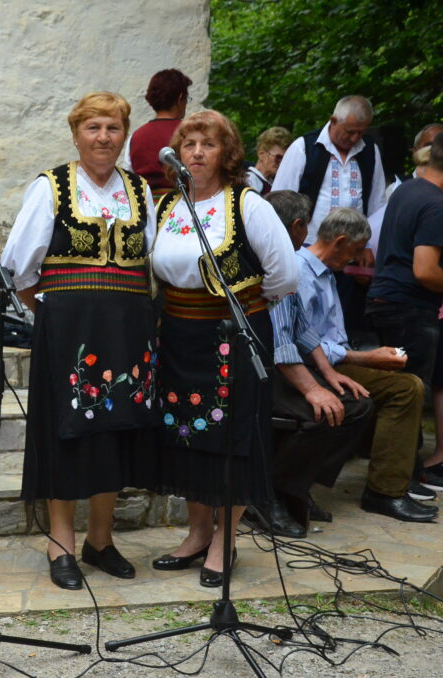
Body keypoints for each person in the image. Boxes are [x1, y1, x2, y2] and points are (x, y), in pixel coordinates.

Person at [1, 92, 159, 590]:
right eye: (93, 128)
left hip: (128, 331)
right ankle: (62, 543)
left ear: (124, 134)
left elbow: (151, 261)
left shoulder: (139, 189)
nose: (103, 137)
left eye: (113, 128)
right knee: (66, 434)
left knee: (115, 430)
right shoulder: (51, 186)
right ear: (75, 135)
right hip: (69, 332)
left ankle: (101, 540)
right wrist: (54, 316)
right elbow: (19, 268)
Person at [150, 110, 297, 588]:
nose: (196, 153)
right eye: (189, 143)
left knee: (232, 435)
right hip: (178, 334)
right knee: (187, 432)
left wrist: (244, 306)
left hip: (232, 335)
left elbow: (284, 275)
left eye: (208, 144)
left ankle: (225, 539)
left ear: (227, 153)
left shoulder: (247, 205)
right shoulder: (166, 206)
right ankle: (197, 533)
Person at [287, 207, 436, 522]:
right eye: (354, 251)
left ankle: (392, 480)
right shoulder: (301, 272)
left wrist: (369, 357)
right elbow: (303, 341)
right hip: (310, 367)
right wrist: (364, 358)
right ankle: (385, 491)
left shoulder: (326, 272)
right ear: (339, 241)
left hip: (333, 360)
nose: (356, 259)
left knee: (403, 374)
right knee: (406, 388)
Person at [259, 191, 374, 537]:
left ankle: (295, 486)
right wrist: (313, 389)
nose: (308, 234)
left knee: (357, 405)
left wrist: (329, 374)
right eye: (305, 226)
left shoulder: (287, 260)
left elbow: (303, 330)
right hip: (257, 368)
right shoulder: (276, 263)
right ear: (296, 226)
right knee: (321, 414)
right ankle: (268, 494)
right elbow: (281, 343)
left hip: (285, 364)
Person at [272, 95, 387, 345]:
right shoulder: (305, 147)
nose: (355, 138)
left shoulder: (369, 151)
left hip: (351, 253)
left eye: (361, 132)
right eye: (350, 131)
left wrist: (368, 246)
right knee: (307, 317)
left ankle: (341, 356)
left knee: (344, 318)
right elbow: (280, 199)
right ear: (334, 121)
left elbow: (377, 203)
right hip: (307, 251)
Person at [365, 133, 443, 494]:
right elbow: (425, 270)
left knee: (403, 392)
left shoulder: (407, 190)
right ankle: (397, 482)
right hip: (410, 308)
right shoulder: (436, 204)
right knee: (409, 394)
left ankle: (405, 474)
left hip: (387, 302)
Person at [126, 68, 192, 196]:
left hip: (146, 204)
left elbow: (129, 176)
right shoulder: (190, 132)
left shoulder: (136, 137)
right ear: (180, 99)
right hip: (185, 202)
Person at [245, 127, 293, 196]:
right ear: (261, 154)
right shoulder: (249, 181)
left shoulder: (274, 184)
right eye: (278, 157)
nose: (281, 163)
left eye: (285, 159)